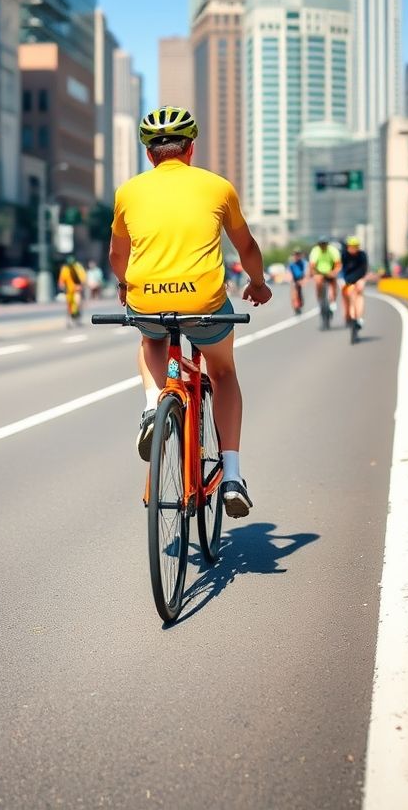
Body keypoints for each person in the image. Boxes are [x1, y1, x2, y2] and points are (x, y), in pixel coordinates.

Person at [109, 105, 272, 519]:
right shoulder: (218, 187)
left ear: (150, 154)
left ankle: (152, 407)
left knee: (151, 338)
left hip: (149, 300)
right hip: (204, 304)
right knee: (222, 373)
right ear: (191, 149)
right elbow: (247, 247)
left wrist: (125, 285)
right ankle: (232, 475)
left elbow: (117, 254)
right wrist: (257, 283)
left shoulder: (128, 191)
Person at [340, 236, 369, 330]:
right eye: (351, 246)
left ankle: (359, 318)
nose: (353, 249)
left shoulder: (362, 255)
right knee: (346, 295)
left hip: (359, 278)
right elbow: (340, 268)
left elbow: (364, 270)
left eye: (355, 246)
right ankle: (347, 315)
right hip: (346, 279)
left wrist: (361, 281)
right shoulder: (344, 255)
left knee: (359, 294)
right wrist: (341, 280)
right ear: (348, 247)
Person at [308, 236, 342, 312]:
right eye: (321, 244)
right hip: (319, 272)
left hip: (330, 271)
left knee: (333, 283)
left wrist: (334, 272)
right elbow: (312, 265)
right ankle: (320, 300)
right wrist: (313, 273)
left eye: (324, 244)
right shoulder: (315, 251)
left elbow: (338, 264)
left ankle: (333, 301)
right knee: (318, 282)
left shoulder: (333, 250)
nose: (323, 246)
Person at [57, 255, 86, 322]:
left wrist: (80, 285)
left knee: (77, 302)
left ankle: (77, 315)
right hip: (68, 290)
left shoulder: (78, 267)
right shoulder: (65, 269)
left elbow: (82, 278)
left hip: (76, 290)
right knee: (69, 305)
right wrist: (62, 286)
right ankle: (69, 318)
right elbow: (61, 279)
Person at [287, 248, 309, 313]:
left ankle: (300, 302)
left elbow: (306, 271)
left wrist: (304, 280)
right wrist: (291, 280)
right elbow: (289, 273)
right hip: (294, 280)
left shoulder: (303, 263)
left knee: (299, 291)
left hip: (301, 279)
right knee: (294, 291)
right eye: (295, 255)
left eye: (298, 254)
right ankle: (296, 305)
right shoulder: (291, 264)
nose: (297, 256)